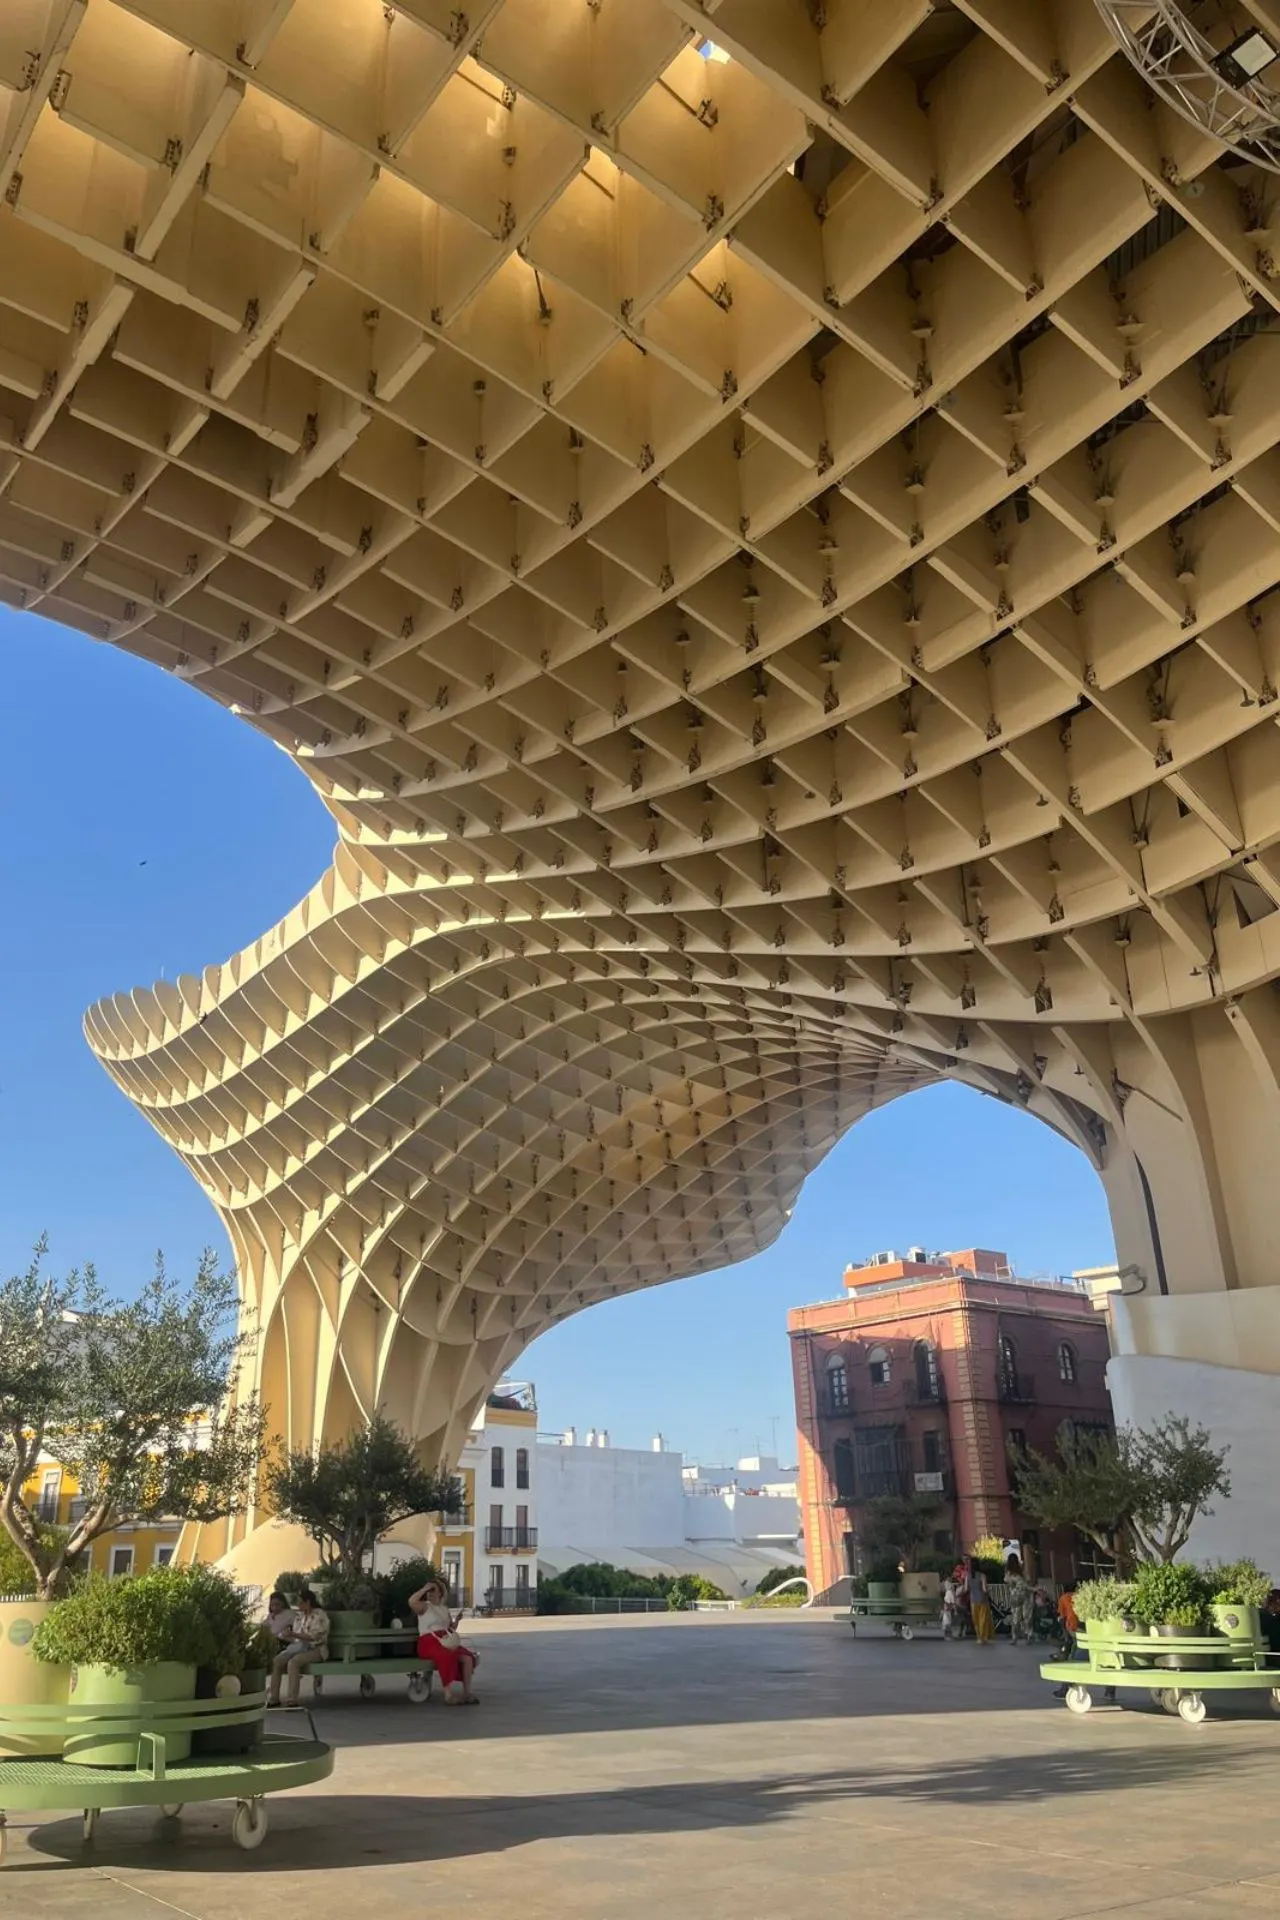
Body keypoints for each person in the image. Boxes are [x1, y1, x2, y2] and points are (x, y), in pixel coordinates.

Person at [409, 1576, 480, 1703]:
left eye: (433, 1590)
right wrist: (425, 1588)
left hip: (445, 1640)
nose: (429, 1593)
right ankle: (448, 1694)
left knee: (468, 1658)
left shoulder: (444, 1609)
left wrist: (456, 1621)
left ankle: (467, 1693)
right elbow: (411, 1601)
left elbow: (450, 1629)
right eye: (429, 1590)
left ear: (440, 1593)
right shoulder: (424, 1606)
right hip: (429, 1642)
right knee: (447, 1655)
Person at [267, 1587, 330, 1707]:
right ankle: (274, 1697)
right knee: (277, 1661)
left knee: (293, 1662)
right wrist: (286, 1636)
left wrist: (294, 1634)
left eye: (300, 1602)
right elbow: (296, 1638)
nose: (298, 1605)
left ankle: (292, 1698)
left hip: (316, 1649)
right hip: (299, 1647)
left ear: (308, 1602)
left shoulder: (319, 1615)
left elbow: (314, 1637)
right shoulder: (300, 1617)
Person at [1005, 1556, 1033, 1646]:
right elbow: (1028, 1581)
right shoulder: (1023, 1571)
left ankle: (1015, 1638)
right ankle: (1028, 1636)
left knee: (1015, 1618)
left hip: (1015, 1597)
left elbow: (1007, 1582)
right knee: (1027, 1617)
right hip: (1026, 1596)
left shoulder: (1008, 1573)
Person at [967, 1558, 994, 1643]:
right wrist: (990, 1590)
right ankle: (983, 1637)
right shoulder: (982, 1575)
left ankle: (978, 1636)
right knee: (983, 1619)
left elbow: (965, 1588)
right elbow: (984, 1589)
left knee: (976, 1620)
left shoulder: (968, 1576)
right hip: (982, 1599)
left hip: (973, 1600)